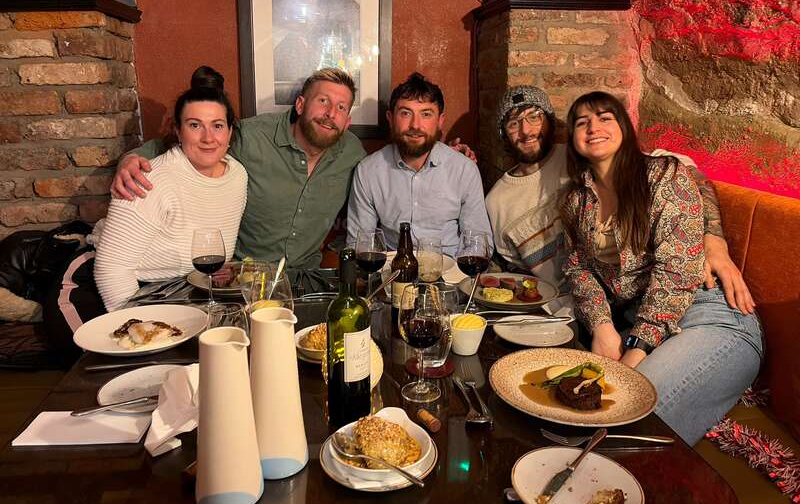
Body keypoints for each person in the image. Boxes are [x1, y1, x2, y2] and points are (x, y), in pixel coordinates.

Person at [558, 91, 762, 445]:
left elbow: (676, 275)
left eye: (605, 117)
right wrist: (602, 325)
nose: (593, 127)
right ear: (573, 140)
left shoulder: (665, 175)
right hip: (642, 324)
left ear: (624, 126)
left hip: (709, 316)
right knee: (576, 413)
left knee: (625, 422)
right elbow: (578, 269)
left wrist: (635, 349)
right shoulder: (576, 201)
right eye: (582, 122)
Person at [485, 84, 756, 315]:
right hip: (578, 311)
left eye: (534, 117)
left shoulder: (583, 154)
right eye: (513, 123)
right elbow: (518, 276)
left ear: (550, 121)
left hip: (652, 297)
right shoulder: (496, 201)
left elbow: (682, 173)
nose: (526, 130)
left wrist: (714, 241)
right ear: (503, 136)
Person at [42, 67, 247, 356]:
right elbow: (112, 269)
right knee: (106, 367)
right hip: (99, 286)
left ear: (230, 132)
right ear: (177, 131)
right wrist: (143, 332)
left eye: (217, 125)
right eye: (194, 125)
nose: (207, 137)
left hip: (172, 292)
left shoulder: (238, 175)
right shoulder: (150, 179)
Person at [112, 68, 366, 274]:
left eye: (341, 107)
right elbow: (190, 144)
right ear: (300, 105)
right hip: (243, 278)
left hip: (306, 277)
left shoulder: (352, 153)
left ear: (348, 122)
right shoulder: (252, 137)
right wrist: (132, 158)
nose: (331, 114)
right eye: (323, 101)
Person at [346, 72, 493, 256]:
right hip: (392, 273)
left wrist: (459, 278)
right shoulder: (368, 171)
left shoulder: (464, 169)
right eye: (406, 113)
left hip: (450, 273)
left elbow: (478, 241)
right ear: (391, 118)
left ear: (440, 121)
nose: (415, 125)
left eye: (426, 114)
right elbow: (360, 242)